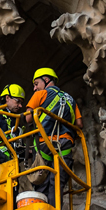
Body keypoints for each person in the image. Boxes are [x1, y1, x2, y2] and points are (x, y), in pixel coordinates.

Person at [25, 67, 81, 199]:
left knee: (41, 184)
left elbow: (27, 118)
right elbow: (79, 124)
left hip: (45, 144)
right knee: (57, 184)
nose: (34, 88)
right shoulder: (70, 99)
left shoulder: (40, 94)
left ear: (46, 80)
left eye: (36, 84)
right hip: (65, 146)